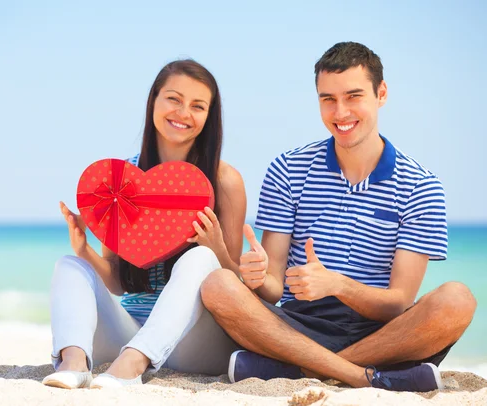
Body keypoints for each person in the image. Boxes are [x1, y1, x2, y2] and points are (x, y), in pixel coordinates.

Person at [200, 42, 477, 392]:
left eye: (353, 96)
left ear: (382, 94)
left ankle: (302, 369)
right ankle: (365, 376)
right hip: (298, 324)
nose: (340, 112)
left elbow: (397, 304)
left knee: (458, 299)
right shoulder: (288, 169)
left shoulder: (421, 186)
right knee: (218, 285)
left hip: (384, 335)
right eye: (327, 99)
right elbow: (272, 289)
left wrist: (336, 284)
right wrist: (255, 277)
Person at [42, 59, 246, 389]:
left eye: (198, 106)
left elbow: (236, 290)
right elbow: (120, 283)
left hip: (198, 343)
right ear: (154, 100)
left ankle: (133, 364)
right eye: (174, 99)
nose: (183, 113)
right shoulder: (120, 179)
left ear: (209, 116)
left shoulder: (225, 180)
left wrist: (216, 248)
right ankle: (74, 362)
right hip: (131, 334)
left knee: (201, 258)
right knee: (70, 264)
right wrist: (85, 251)